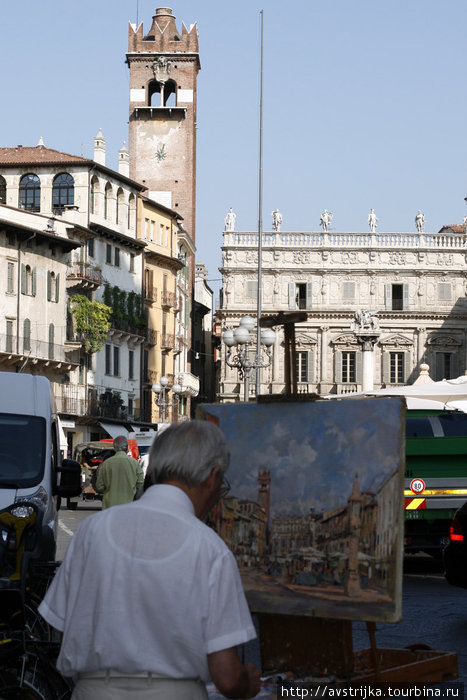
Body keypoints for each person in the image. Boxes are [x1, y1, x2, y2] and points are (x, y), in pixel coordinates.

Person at [38, 421, 260, 700]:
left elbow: (57, 623)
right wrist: (248, 682)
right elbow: (227, 677)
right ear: (212, 478)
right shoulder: (210, 549)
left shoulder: (92, 530)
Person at [95, 435, 144, 509]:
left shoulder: (106, 463)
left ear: (114, 448)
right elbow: (140, 485)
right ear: (127, 447)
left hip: (109, 507)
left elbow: (99, 486)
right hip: (129, 506)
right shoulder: (135, 463)